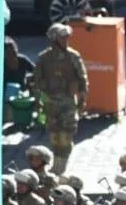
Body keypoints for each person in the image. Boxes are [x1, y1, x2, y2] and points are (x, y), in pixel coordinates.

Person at [30, 22, 88, 175]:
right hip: (50, 102)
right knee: (54, 136)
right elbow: (36, 82)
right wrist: (38, 103)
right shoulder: (43, 58)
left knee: (66, 136)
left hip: (68, 102)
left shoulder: (73, 56)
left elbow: (82, 78)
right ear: (54, 40)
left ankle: (61, 166)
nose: (66, 41)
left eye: (67, 38)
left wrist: (82, 99)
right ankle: (56, 163)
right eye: (62, 38)